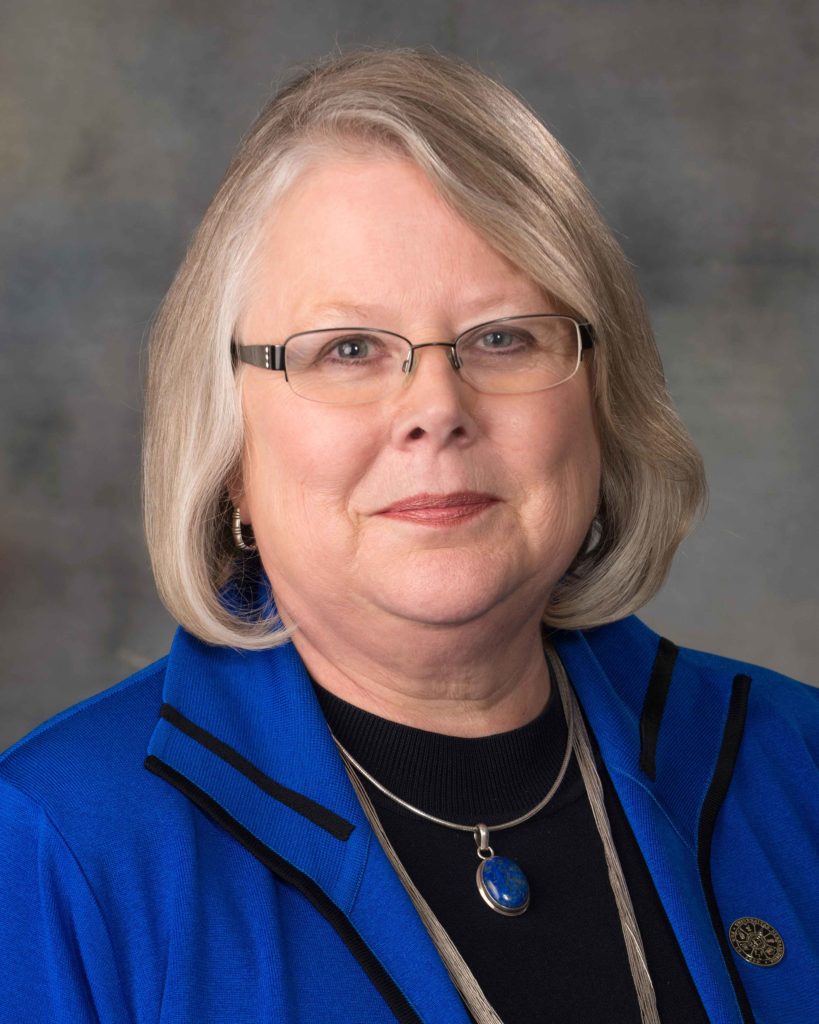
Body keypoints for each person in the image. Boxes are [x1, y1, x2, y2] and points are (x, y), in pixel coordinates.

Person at [0, 48, 816, 1024]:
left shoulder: (797, 765)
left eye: (503, 337)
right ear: (230, 453)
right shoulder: (56, 847)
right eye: (348, 348)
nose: (437, 407)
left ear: (602, 402)